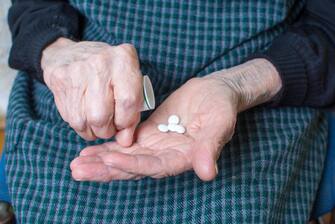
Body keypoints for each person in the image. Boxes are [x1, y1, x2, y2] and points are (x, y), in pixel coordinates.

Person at [2, 0, 335, 222]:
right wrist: (56, 52)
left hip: (260, 79)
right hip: (90, 73)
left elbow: (328, 29)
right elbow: (35, 8)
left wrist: (239, 85)